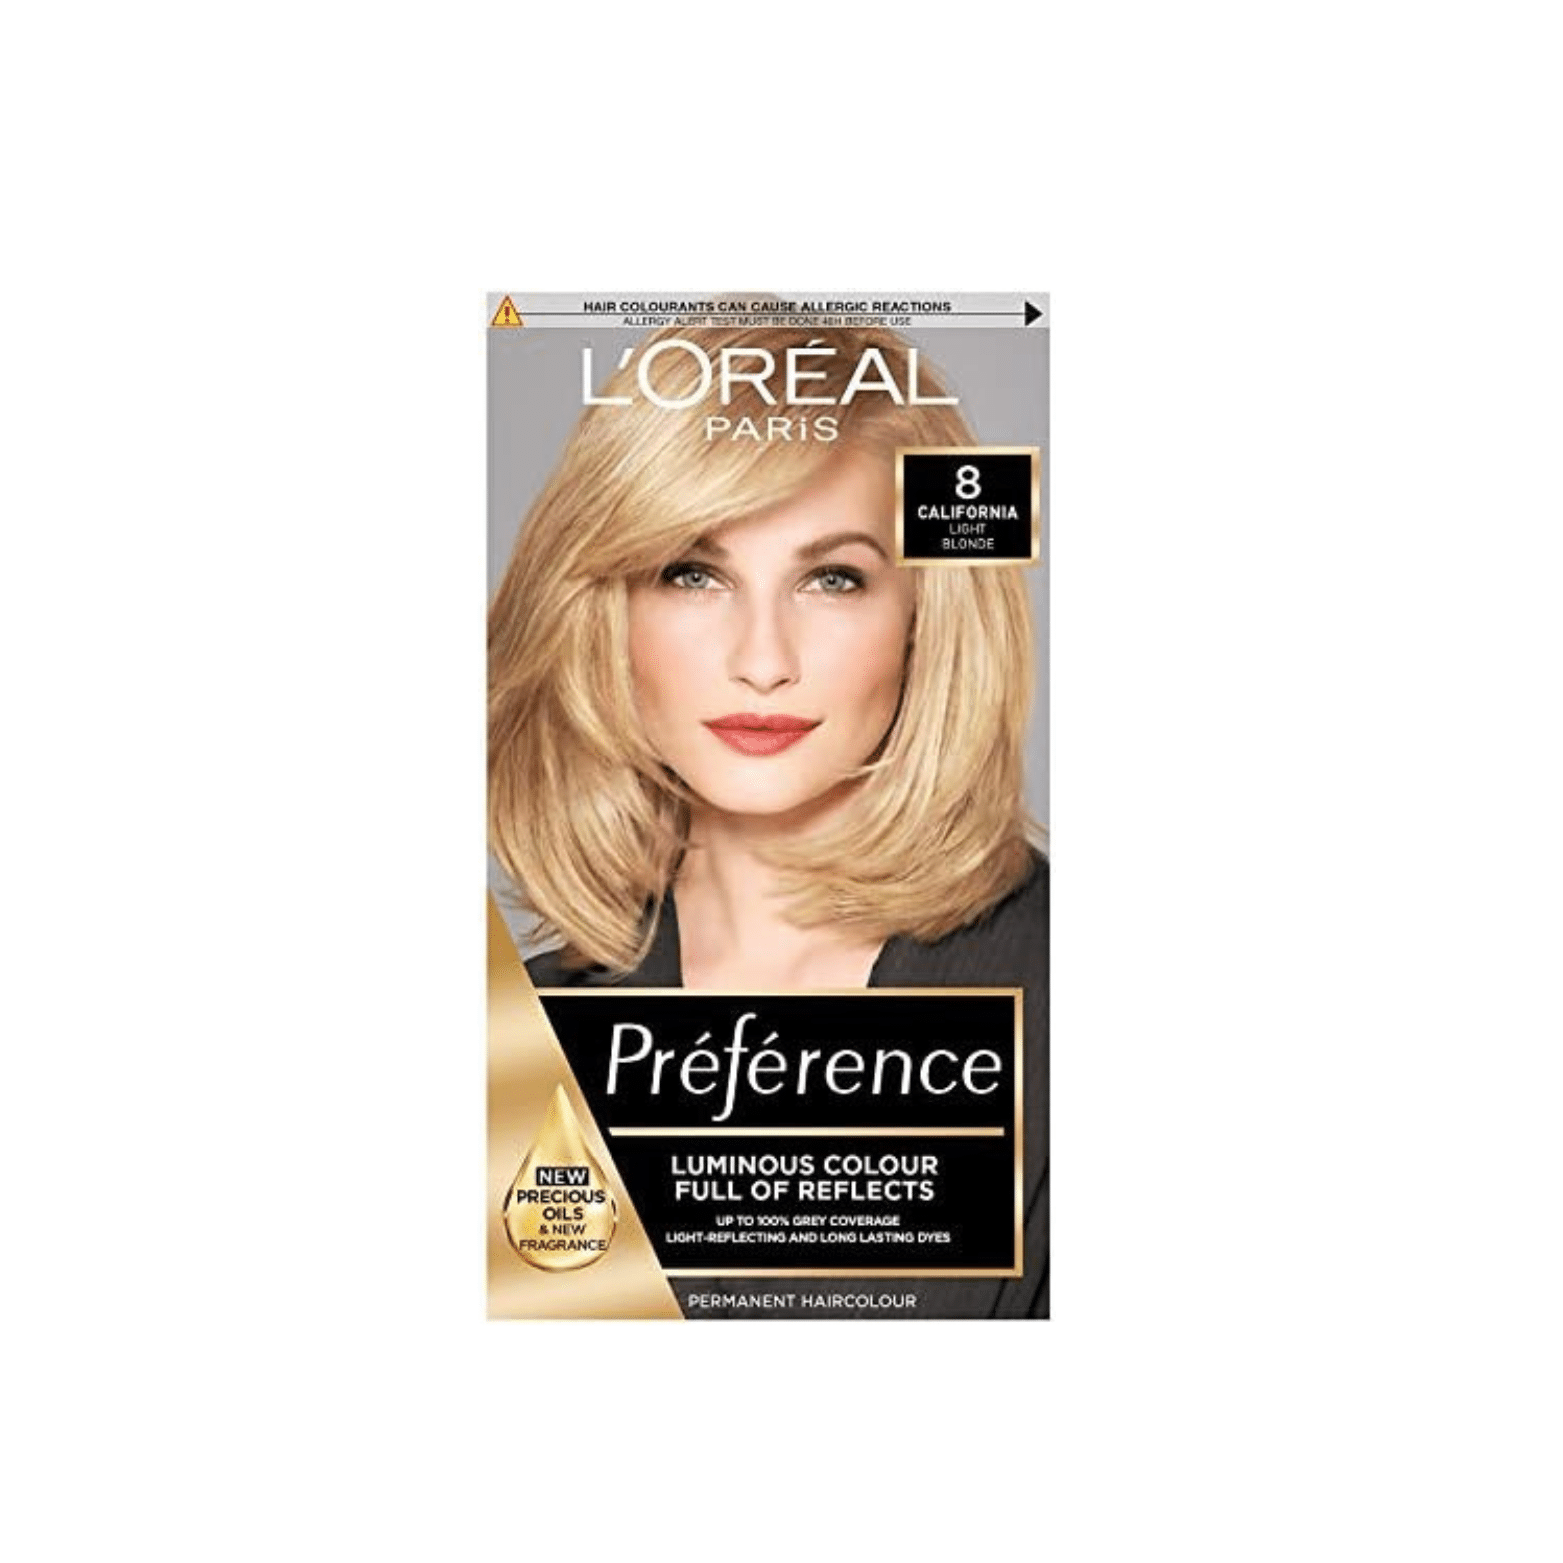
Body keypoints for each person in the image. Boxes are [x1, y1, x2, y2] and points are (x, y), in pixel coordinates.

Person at [489, 321, 1047, 1315]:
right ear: (605, 610)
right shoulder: (511, 1036)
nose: (761, 660)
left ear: (924, 615)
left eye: (833, 579)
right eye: (691, 573)